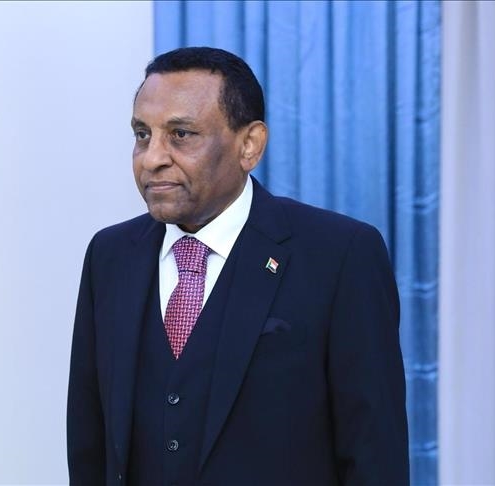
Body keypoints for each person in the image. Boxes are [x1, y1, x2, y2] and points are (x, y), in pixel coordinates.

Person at [67, 46, 408, 485]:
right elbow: (89, 441)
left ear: (249, 145)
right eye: (142, 134)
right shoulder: (110, 256)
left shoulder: (340, 255)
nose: (152, 158)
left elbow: (374, 454)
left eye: (181, 134)